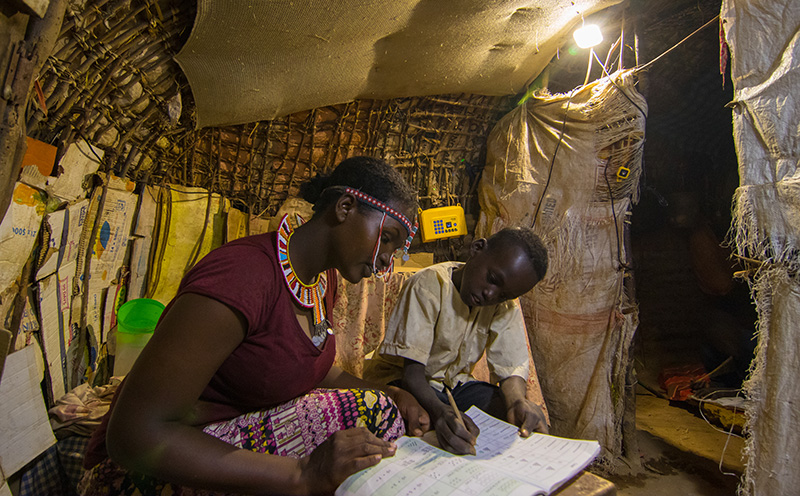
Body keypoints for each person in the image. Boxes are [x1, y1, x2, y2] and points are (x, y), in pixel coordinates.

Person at [79, 156, 430, 495]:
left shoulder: (321, 282)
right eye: (387, 238)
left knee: (378, 411)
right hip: (135, 473)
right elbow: (133, 435)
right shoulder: (241, 278)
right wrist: (302, 475)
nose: (387, 259)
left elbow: (305, 367)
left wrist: (392, 392)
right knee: (368, 414)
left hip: (220, 445)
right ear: (345, 208)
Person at [363, 227, 549, 455]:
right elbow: (412, 375)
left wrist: (517, 401)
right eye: (492, 280)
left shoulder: (503, 304)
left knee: (509, 412)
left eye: (504, 295)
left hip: (453, 386)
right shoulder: (428, 285)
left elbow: (510, 367)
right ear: (477, 249)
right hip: (404, 381)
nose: (491, 295)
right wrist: (441, 412)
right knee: (425, 421)